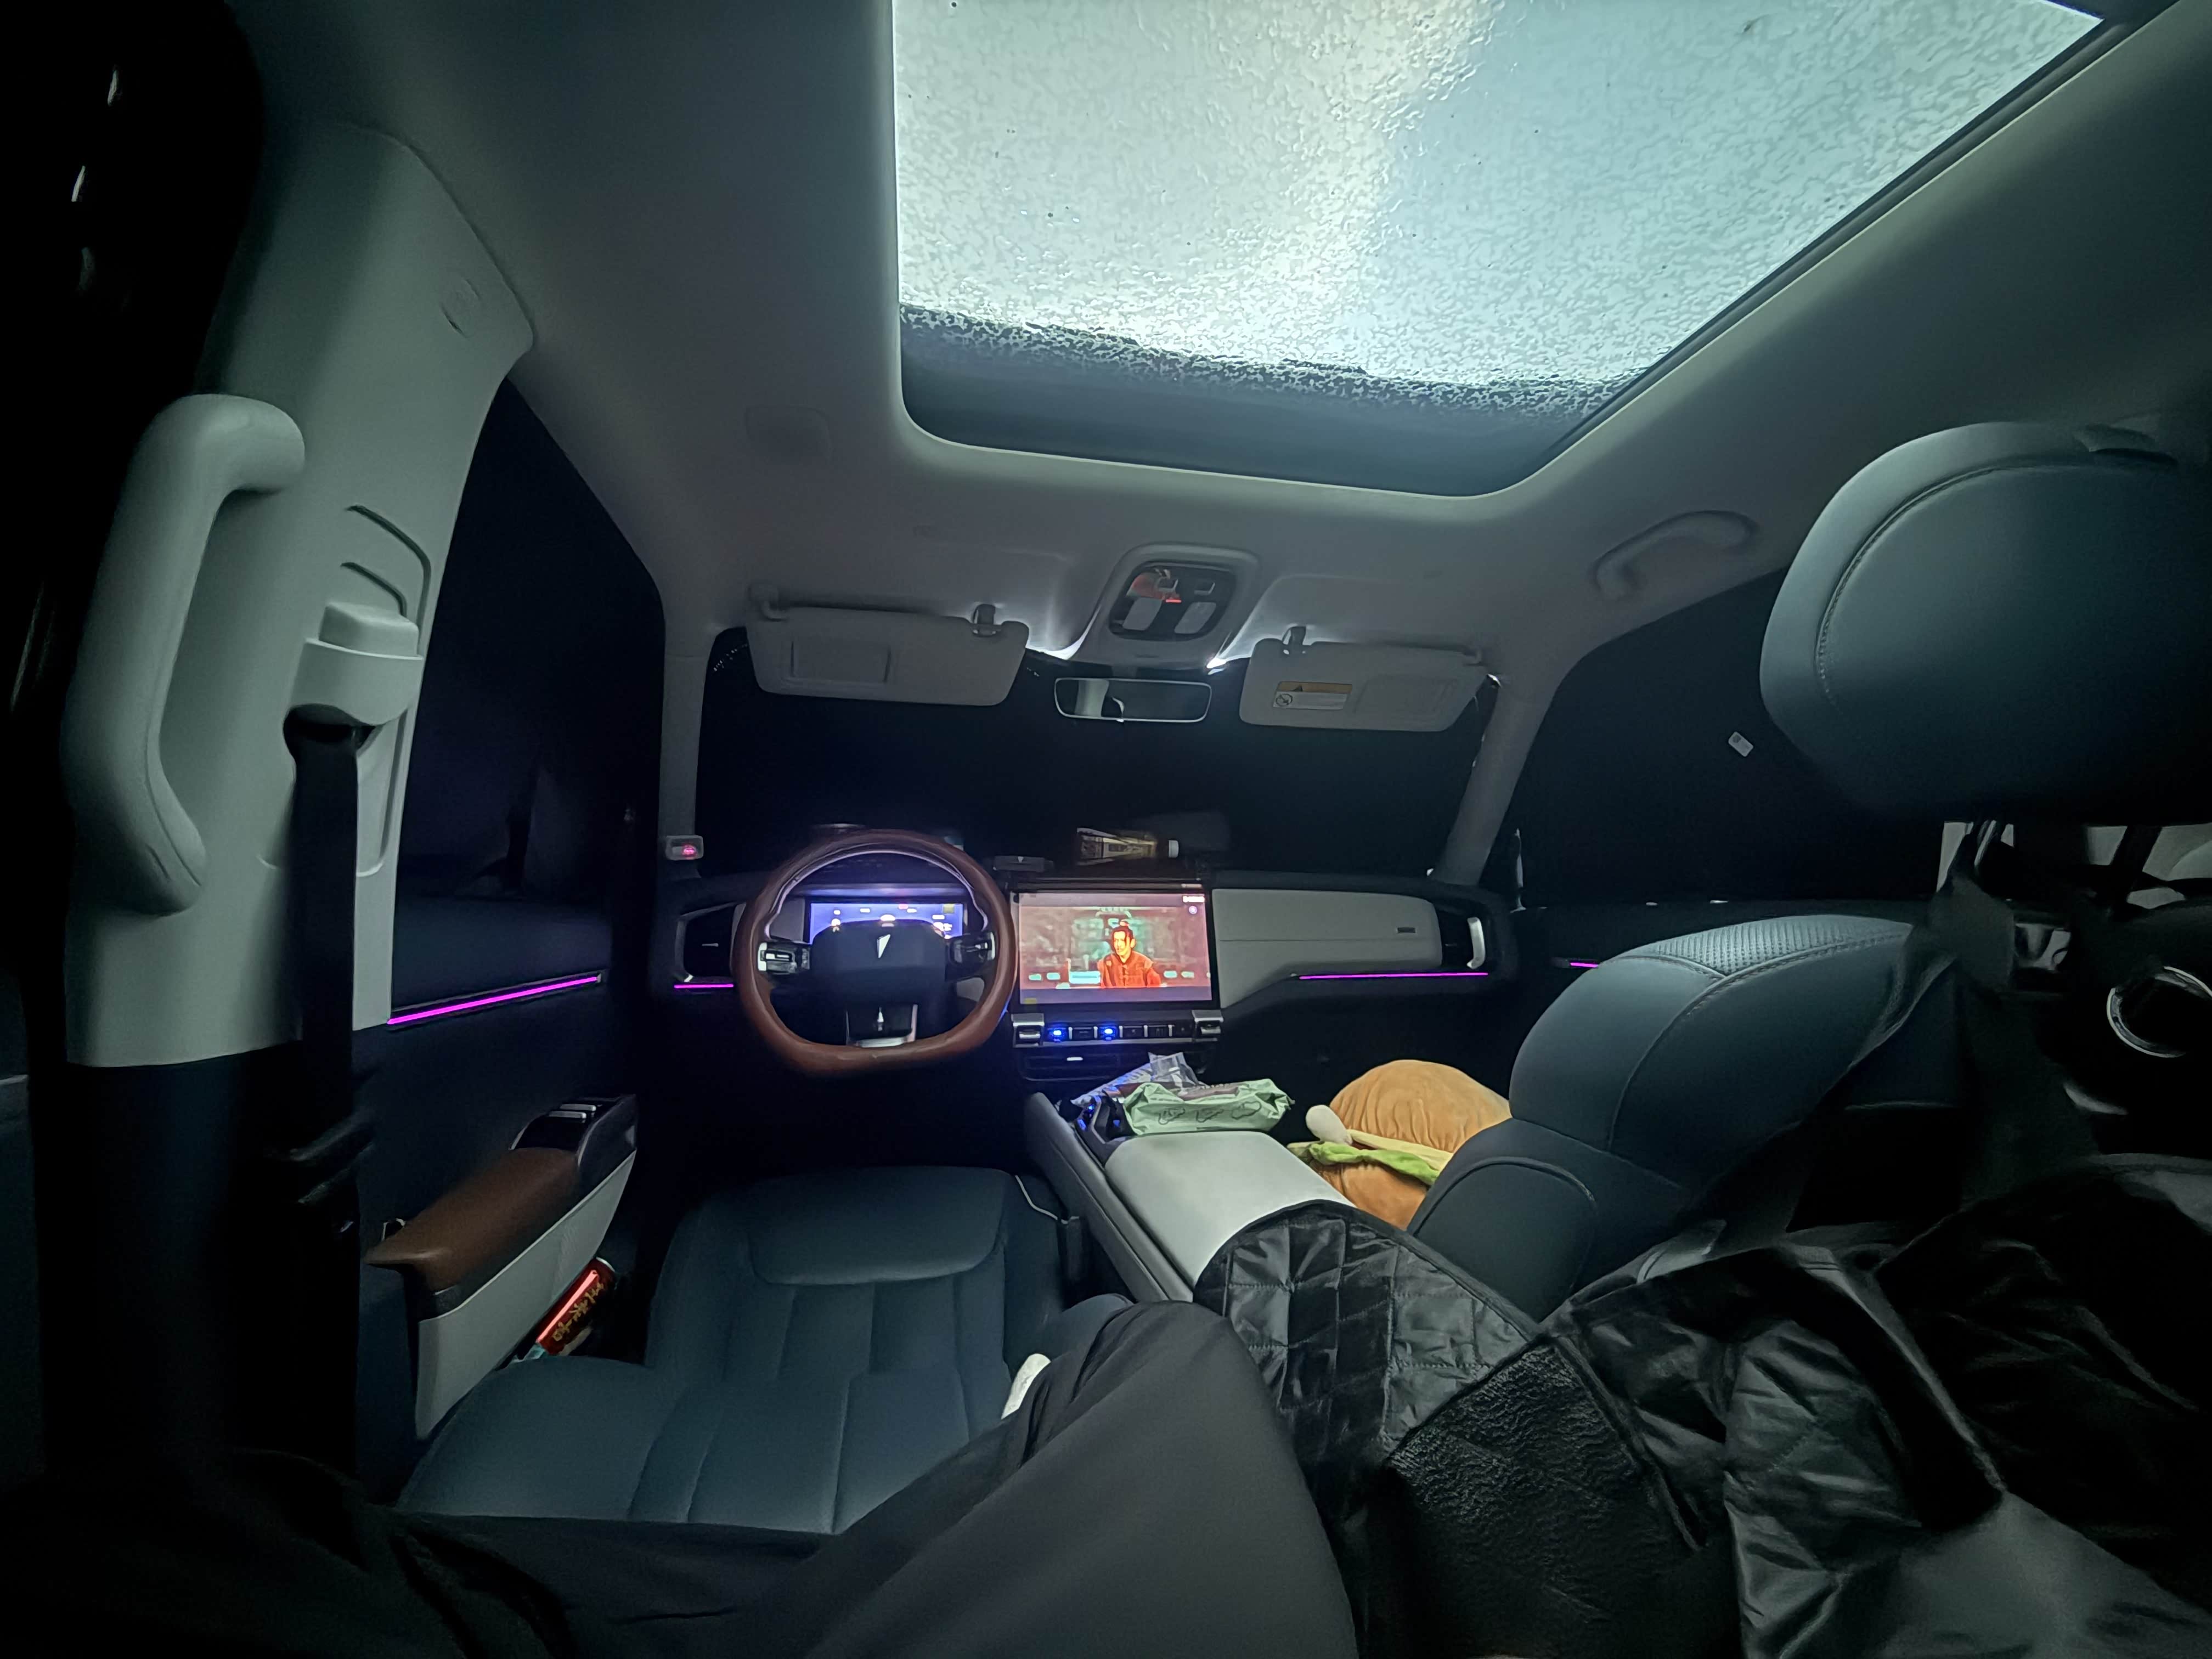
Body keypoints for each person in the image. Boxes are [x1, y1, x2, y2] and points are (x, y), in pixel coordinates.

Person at [1096, 920, 1164, 988]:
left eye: (1122, 940)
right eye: (1116, 941)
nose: (1118, 945)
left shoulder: (1145, 963)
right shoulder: (1105, 963)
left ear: (1132, 943)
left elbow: (1155, 989)